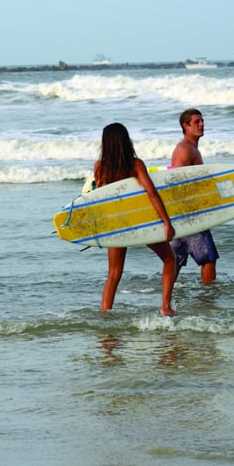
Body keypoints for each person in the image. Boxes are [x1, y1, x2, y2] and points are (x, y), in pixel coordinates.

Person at [94, 123, 177, 315]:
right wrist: (166, 222)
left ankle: (105, 314)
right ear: (125, 140)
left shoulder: (100, 167)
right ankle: (165, 306)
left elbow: (99, 199)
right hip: (138, 221)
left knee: (114, 274)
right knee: (169, 258)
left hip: (115, 224)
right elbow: (152, 193)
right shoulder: (135, 164)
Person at [170, 108, 219, 285]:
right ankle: (209, 301)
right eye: (197, 122)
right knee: (208, 258)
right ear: (185, 125)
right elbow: (178, 182)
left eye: (202, 121)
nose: (202, 124)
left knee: (175, 260)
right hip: (189, 213)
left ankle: (166, 298)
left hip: (179, 214)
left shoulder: (190, 148)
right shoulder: (185, 149)